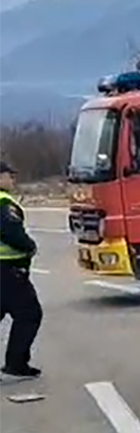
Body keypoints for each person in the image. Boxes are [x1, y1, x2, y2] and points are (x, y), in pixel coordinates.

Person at [0, 161, 44, 381]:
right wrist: (29, 246)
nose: (12, 179)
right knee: (29, 314)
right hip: (8, 270)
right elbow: (11, 232)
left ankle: (16, 363)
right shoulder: (4, 203)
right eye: (9, 175)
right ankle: (16, 364)